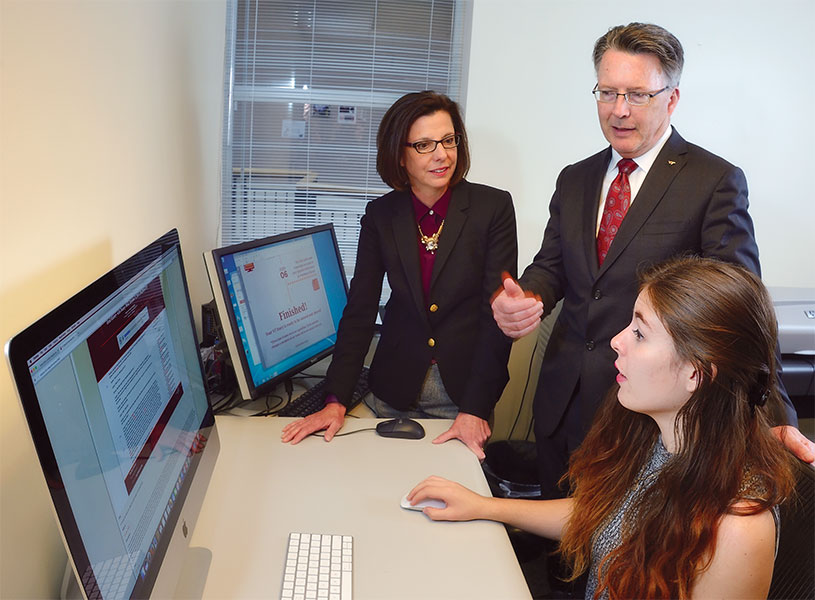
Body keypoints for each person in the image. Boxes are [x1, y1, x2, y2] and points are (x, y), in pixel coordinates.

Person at [490, 22, 814, 495]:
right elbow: (552, 265)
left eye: (637, 95)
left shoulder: (714, 181)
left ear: (672, 98)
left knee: (622, 559)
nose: (619, 110)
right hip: (561, 398)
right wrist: (528, 296)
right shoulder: (574, 179)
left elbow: (741, 310)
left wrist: (774, 416)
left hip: (647, 418)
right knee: (560, 547)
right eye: (608, 92)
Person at [409, 256, 797, 600]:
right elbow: (604, 514)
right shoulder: (655, 437)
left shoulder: (738, 528)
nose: (616, 341)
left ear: (695, 373)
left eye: (639, 334)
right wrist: (485, 506)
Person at [281, 91, 517, 458]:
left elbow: (496, 318)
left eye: (448, 140)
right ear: (400, 156)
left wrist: (476, 407)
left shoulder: (492, 208)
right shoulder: (380, 216)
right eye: (424, 145)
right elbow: (360, 310)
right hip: (392, 389)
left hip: (463, 396)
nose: (442, 154)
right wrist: (335, 398)